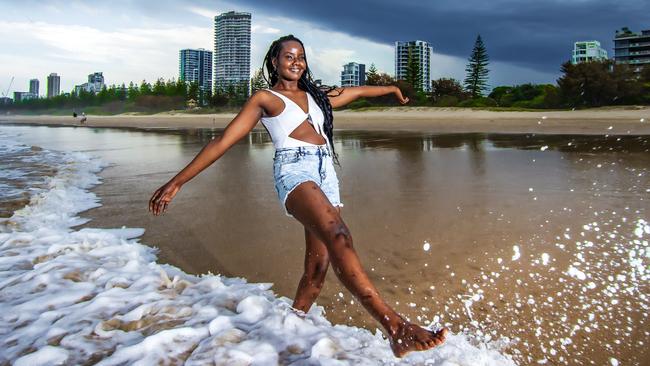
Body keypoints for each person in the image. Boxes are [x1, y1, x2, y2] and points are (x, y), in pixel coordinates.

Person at [149, 35, 447, 357]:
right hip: (294, 172)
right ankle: (396, 328)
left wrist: (391, 89)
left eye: (300, 57)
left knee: (316, 271)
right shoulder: (265, 99)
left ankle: (287, 334)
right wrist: (177, 182)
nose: (295, 62)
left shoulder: (317, 96)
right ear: (274, 61)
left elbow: (358, 91)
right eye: (288, 56)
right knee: (339, 235)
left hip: (326, 175)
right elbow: (222, 141)